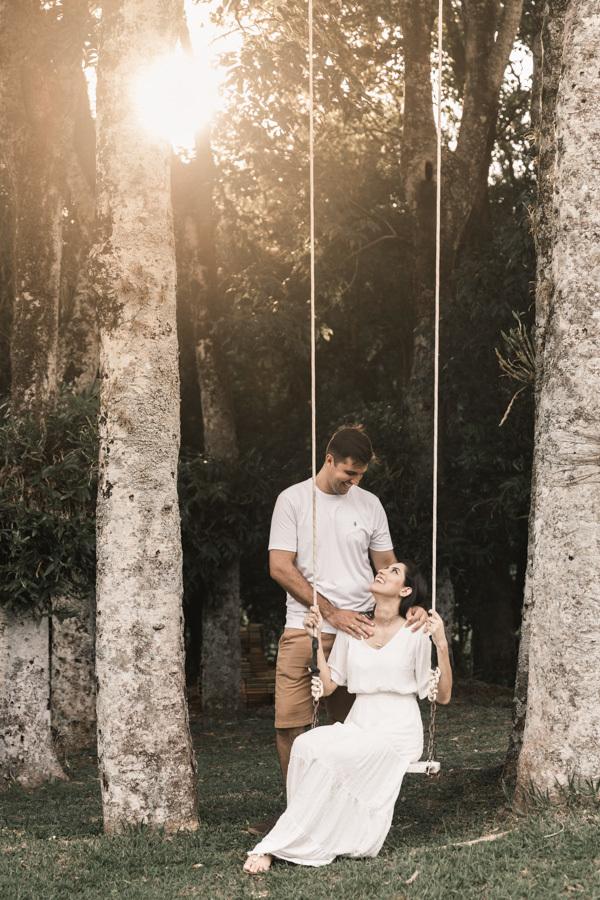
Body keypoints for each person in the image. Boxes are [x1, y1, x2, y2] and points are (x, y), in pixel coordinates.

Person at [249, 426, 428, 836]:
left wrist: (410, 602)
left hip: (364, 630)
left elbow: (390, 567)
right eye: (349, 472)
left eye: (361, 474)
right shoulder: (292, 500)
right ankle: (299, 816)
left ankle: (353, 813)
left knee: (354, 730)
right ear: (329, 459)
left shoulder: (370, 504)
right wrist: (331, 612)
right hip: (305, 626)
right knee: (291, 724)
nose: (354, 482)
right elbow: (280, 567)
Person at [243, 560, 452, 872]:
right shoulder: (354, 629)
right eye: (384, 569)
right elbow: (328, 686)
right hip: (359, 721)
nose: (382, 571)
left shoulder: (415, 631)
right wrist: (315, 640)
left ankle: (275, 844)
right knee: (305, 747)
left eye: (393, 572)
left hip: (396, 729)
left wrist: (442, 643)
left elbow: (442, 695)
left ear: (405, 590)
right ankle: (307, 827)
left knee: (334, 756)